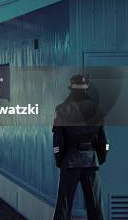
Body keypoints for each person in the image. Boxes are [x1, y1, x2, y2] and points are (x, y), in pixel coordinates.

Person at [52, 74, 108, 220]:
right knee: (95, 205)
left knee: (64, 203)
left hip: (70, 160)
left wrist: (60, 160)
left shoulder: (62, 109)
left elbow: (58, 141)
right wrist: (100, 158)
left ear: (71, 88)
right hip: (91, 160)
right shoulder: (97, 109)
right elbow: (104, 140)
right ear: (86, 88)